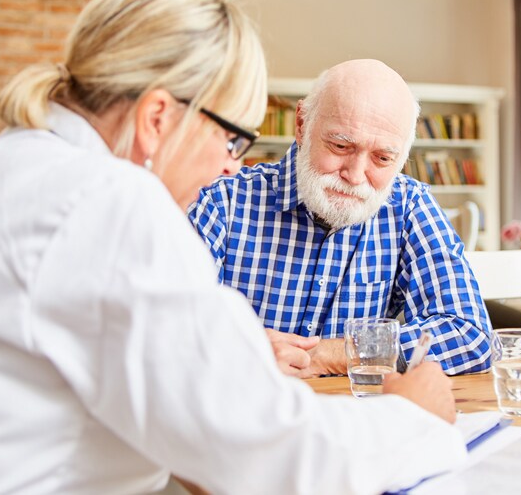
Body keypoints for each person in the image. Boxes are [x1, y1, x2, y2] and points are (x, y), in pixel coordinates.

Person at [0, 0, 467, 493]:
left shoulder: (13, 162)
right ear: (157, 119)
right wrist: (412, 418)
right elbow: (263, 453)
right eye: (232, 140)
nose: (233, 165)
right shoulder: (110, 202)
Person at [188, 59, 492, 379]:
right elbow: (164, 329)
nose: (356, 175)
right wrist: (243, 350)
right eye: (341, 145)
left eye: (382, 158)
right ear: (302, 125)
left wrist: (340, 353)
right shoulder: (222, 201)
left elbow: (469, 334)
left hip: (353, 419)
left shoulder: (409, 205)